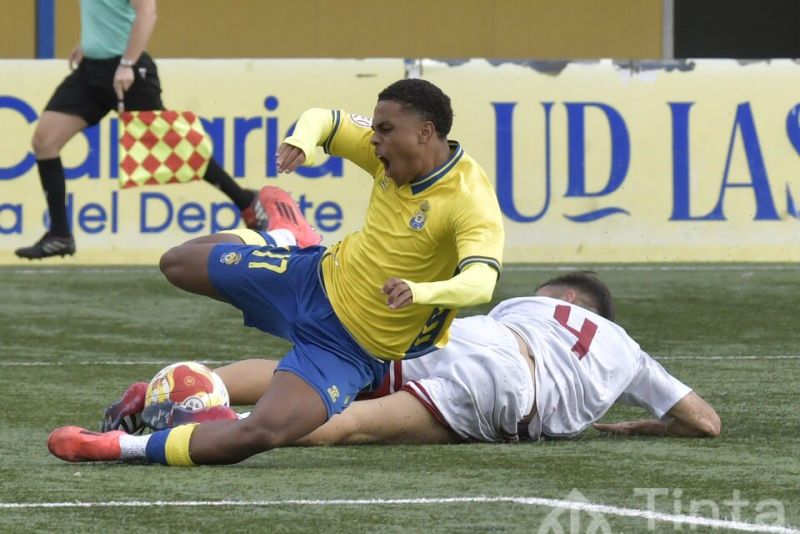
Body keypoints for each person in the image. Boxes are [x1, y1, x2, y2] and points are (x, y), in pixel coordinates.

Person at [49, 79, 505, 466]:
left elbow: (481, 283)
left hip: (350, 350)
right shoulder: (385, 150)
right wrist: (303, 142)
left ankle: (113, 447)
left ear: (425, 133)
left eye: (386, 130)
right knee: (176, 263)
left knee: (261, 433)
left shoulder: (469, 202)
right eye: (376, 128)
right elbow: (326, 119)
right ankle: (284, 238)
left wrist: (421, 292)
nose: (374, 140)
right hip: (312, 278)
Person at [48, 272, 721, 464]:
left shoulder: (529, 303)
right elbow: (705, 422)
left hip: (467, 340)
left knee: (320, 368)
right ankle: (124, 445)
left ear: (565, 299)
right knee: (347, 427)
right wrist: (643, 428)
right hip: (506, 392)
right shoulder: (626, 349)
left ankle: (199, 384)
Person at [16, 0, 267, 260]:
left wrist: (127, 63)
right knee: (44, 141)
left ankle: (247, 202)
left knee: (177, 148)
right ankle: (60, 235)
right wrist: (92, 44)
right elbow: (104, 12)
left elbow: (147, 12)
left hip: (130, 72)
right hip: (91, 70)